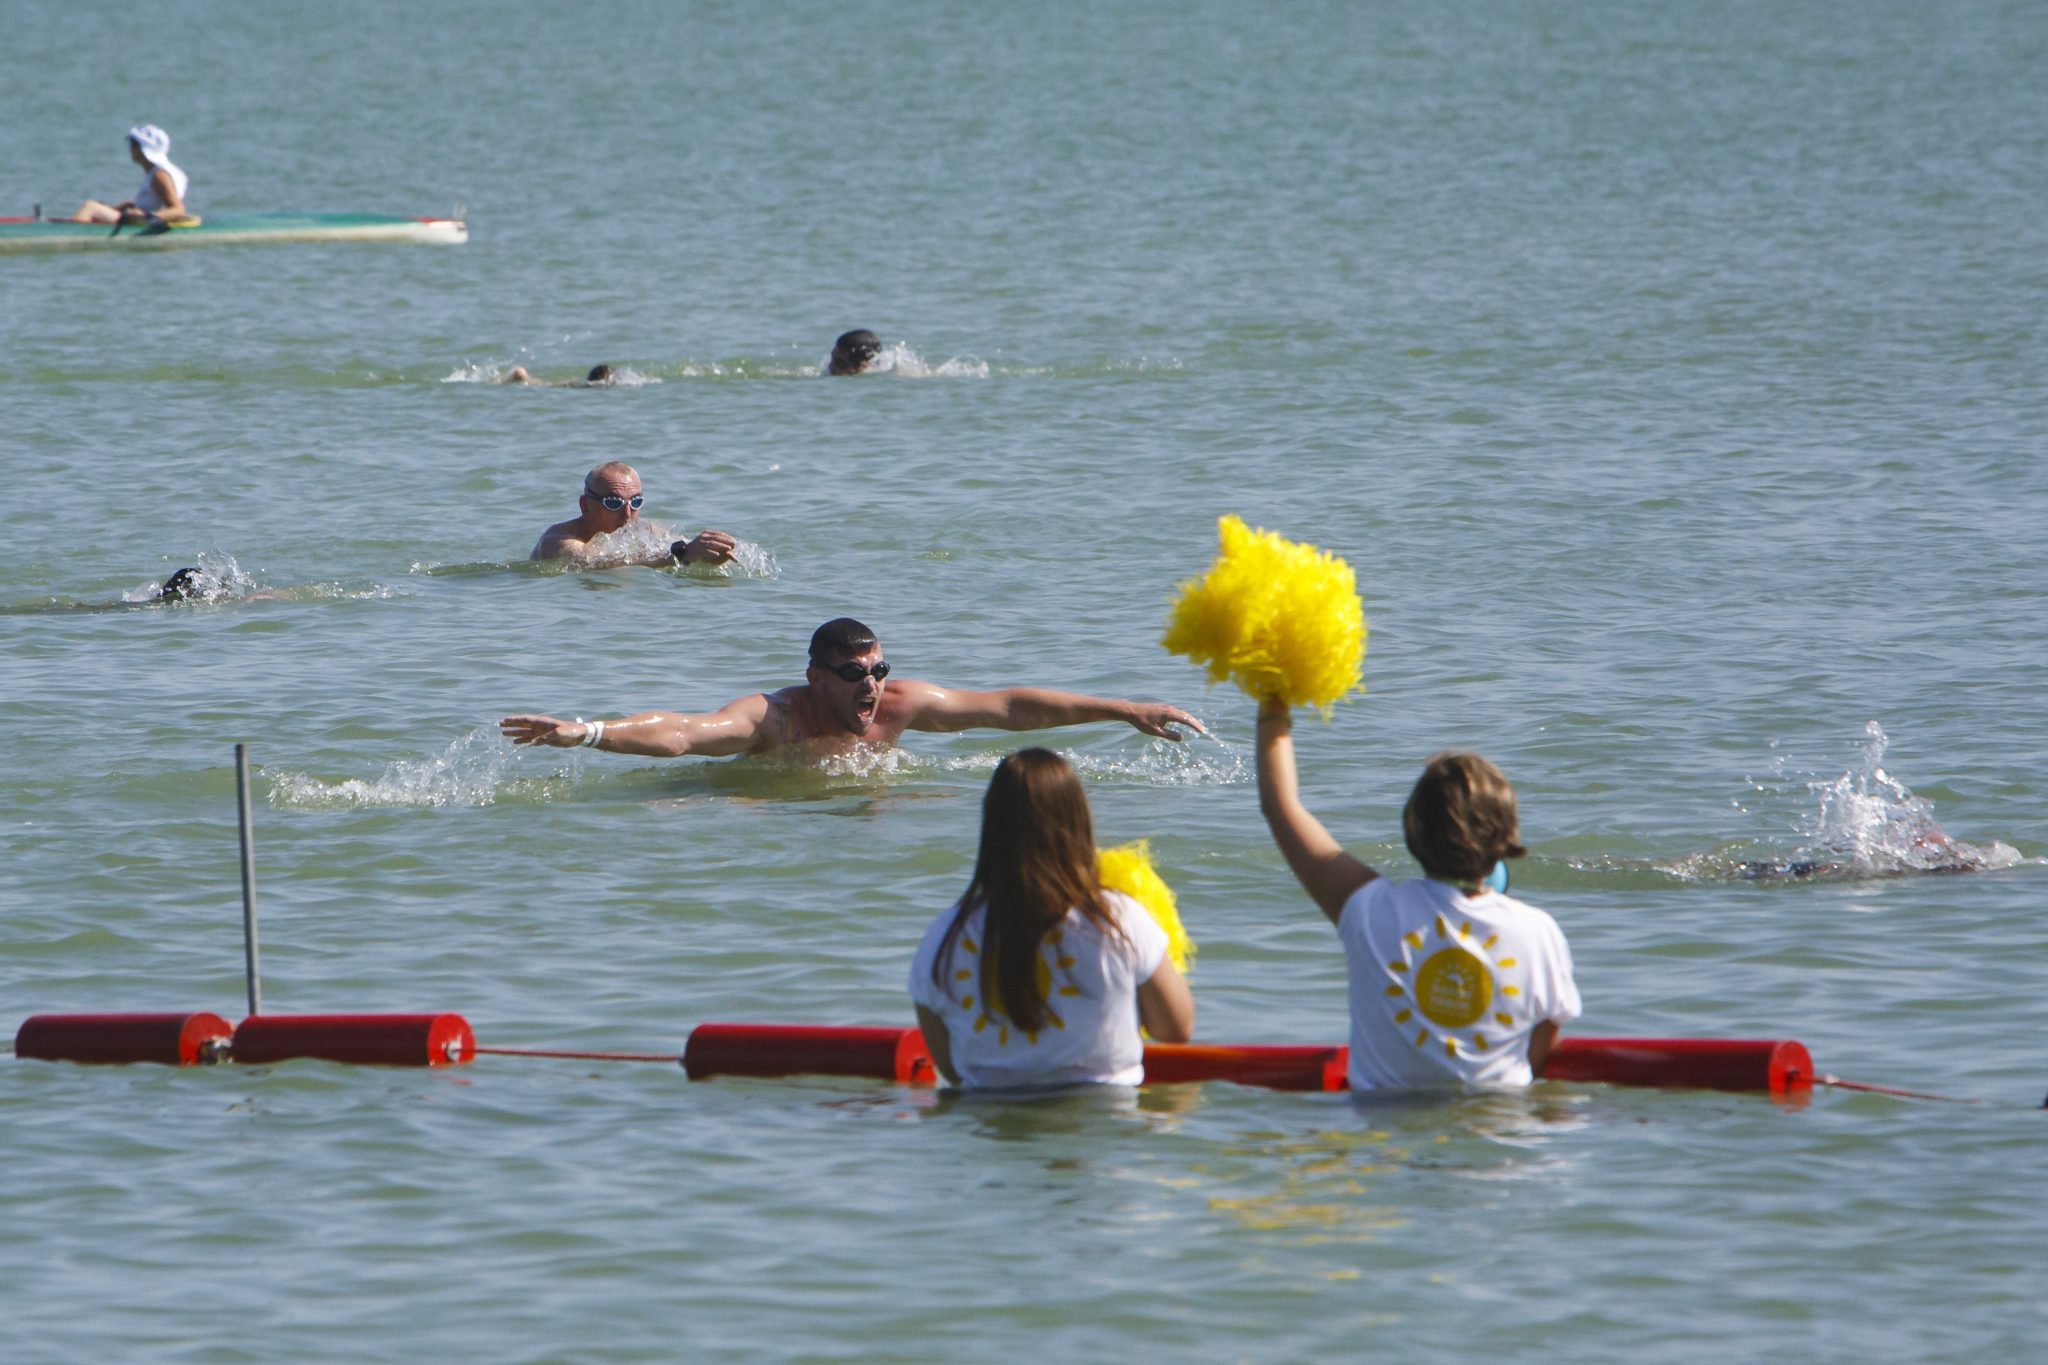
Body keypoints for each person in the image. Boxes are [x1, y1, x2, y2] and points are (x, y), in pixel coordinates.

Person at [1254, 696, 1579, 1091]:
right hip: (1504, 1134)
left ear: (1412, 832)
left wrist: (1274, 696)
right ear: (1506, 839)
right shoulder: (1538, 932)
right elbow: (1539, 1054)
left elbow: (1281, 805)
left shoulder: (1369, 909)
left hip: (1383, 1133)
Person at [500, 617, 1203, 762]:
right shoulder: (776, 716)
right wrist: (586, 731)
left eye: (879, 670)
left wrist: (1124, 707)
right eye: (854, 674)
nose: (871, 685)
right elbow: (684, 732)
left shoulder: (897, 708)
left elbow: (1008, 706)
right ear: (817, 678)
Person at [907, 748, 1194, 1089]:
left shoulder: (943, 937)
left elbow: (953, 1069)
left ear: (992, 829)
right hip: (1105, 1123)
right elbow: (1175, 1029)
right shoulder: (1119, 919)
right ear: (1077, 823)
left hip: (988, 1124)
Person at [530, 461, 737, 568]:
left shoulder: (645, 530)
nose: (628, 514)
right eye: (613, 503)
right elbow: (596, 563)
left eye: (636, 502)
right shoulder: (557, 542)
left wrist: (708, 553)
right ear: (586, 506)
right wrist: (682, 555)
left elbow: (682, 545)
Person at [69, 125, 191, 225]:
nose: (130, 148)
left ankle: (69, 236)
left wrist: (146, 216)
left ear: (143, 149)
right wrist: (131, 205)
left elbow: (178, 209)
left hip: (140, 223)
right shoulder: (154, 173)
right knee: (98, 206)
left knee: (90, 206)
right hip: (134, 220)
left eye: (133, 143)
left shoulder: (159, 176)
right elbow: (154, 202)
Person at [500, 364, 619, 387]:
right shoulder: (588, 386)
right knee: (536, 383)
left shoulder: (584, 385)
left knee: (539, 383)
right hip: (563, 386)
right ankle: (519, 374)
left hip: (565, 384)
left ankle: (520, 375)